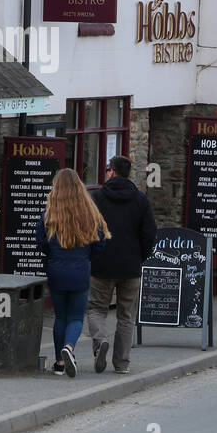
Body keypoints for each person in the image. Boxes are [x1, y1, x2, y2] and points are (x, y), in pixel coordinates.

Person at [87, 155, 157, 374]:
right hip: (130, 266)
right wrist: (140, 257)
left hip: (102, 263)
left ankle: (100, 340)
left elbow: (88, 229)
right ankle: (122, 364)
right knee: (126, 316)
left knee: (96, 309)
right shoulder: (141, 200)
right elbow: (149, 234)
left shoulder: (97, 197)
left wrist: (91, 254)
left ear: (112, 172)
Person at [38, 167, 109, 378]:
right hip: (80, 270)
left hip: (57, 270)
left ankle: (60, 363)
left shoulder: (49, 213)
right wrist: (86, 255)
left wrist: (53, 254)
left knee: (60, 316)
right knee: (76, 317)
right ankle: (68, 348)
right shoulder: (90, 213)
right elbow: (100, 243)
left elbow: (41, 242)